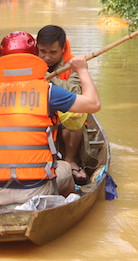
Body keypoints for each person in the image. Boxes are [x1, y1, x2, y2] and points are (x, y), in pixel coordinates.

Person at [0, 32, 101, 205]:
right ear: (35, 56)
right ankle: (58, 206)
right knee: (64, 169)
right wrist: (83, 70)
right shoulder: (47, 91)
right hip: (36, 190)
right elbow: (93, 104)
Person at [36, 25, 88, 182]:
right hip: (36, 113)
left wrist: (46, 76)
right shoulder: (28, 63)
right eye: (42, 51)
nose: (47, 57)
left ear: (62, 49)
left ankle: (70, 159)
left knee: (76, 114)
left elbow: (75, 92)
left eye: (53, 52)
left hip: (62, 115)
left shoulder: (74, 65)